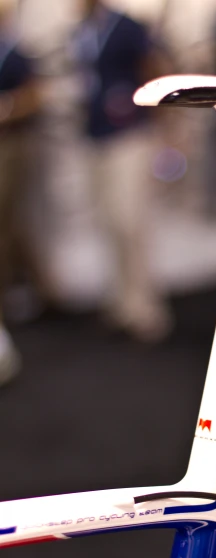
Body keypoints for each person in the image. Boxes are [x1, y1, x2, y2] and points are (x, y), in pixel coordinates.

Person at [71, 0, 172, 343]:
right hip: (95, 135)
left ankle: (145, 307)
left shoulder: (127, 26)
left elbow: (154, 67)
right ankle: (121, 301)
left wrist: (160, 124)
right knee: (109, 221)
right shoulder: (82, 31)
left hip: (129, 134)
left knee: (130, 219)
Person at [0, 0, 41, 386]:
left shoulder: (16, 51)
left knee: (8, 223)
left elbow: (33, 95)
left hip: (12, 143)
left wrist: (8, 108)